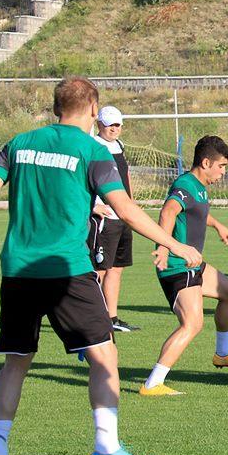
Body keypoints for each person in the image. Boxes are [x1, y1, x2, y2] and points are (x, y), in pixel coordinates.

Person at [0, 77, 202, 455]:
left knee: (15, 362)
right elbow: (126, 209)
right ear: (92, 109)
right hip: (67, 270)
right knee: (104, 355)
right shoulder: (92, 150)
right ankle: (106, 448)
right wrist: (175, 244)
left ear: (56, 108)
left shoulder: (18, 144)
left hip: (17, 270)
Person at [140, 136, 228, 397]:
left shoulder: (198, 187)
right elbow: (168, 212)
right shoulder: (185, 184)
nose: (223, 172)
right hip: (178, 265)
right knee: (192, 323)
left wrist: (217, 224)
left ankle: (223, 353)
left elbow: (196, 210)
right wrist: (164, 248)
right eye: (221, 166)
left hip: (193, 264)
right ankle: (152, 384)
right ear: (206, 163)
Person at [88, 105, 139, 333]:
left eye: (118, 125)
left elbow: (125, 175)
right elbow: (83, 178)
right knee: (99, 270)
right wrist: (94, 206)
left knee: (117, 268)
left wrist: (131, 203)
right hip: (106, 219)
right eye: (110, 125)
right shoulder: (92, 147)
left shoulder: (119, 145)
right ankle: (91, 317)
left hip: (123, 217)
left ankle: (112, 318)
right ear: (100, 124)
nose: (115, 129)